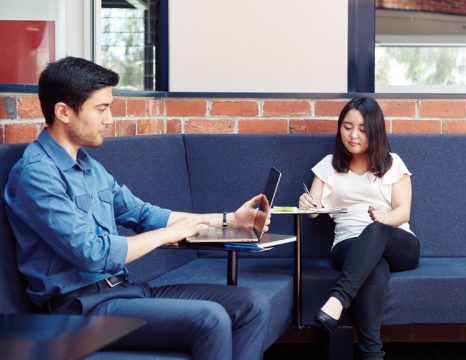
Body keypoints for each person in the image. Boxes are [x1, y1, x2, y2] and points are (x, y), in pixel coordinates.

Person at [4, 57, 270, 360]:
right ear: (63, 111)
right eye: (101, 109)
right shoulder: (37, 174)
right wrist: (167, 235)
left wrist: (229, 219)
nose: (110, 120)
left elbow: (144, 214)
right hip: (79, 311)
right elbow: (91, 253)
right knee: (210, 319)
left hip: (125, 292)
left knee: (253, 304)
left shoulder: (89, 166)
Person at [298, 97, 420, 359]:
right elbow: (313, 210)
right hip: (349, 244)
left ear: (375, 132)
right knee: (374, 265)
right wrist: (306, 203)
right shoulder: (328, 165)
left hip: (397, 240)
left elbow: (403, 212)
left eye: (362, 129)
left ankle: (337, 301)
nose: (353, 135)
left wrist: (383, 219)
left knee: (374, 231)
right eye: (347, 127)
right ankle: (371, 354)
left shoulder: (393, 162)